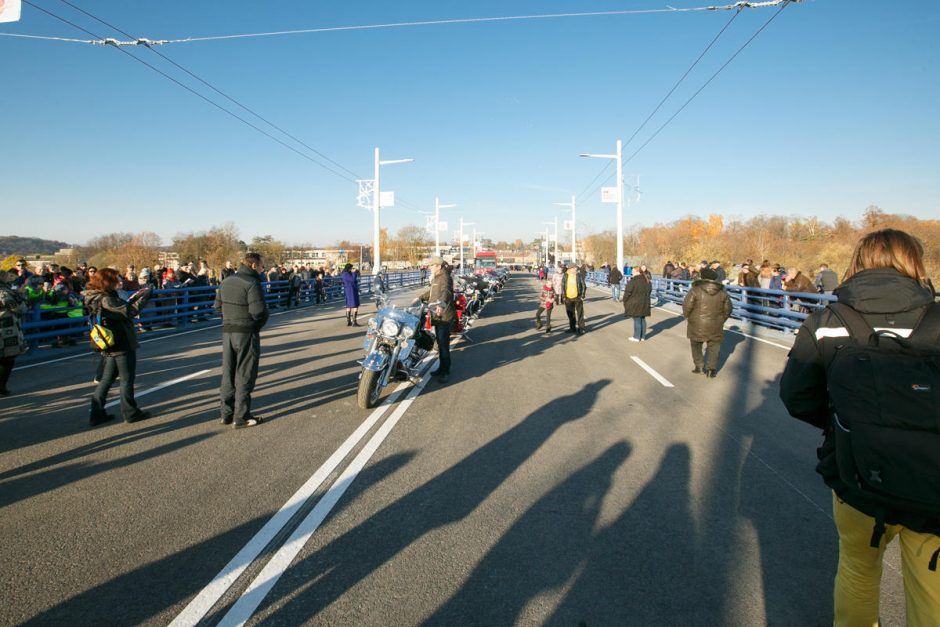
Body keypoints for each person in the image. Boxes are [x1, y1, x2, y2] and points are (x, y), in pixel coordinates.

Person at [779, 229, 940, 626]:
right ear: (914, 262)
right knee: (930, 583)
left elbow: (797, 397)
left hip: (856, 473)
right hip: (933, 478)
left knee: (857, 569)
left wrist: (844, 425)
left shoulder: (828, 321)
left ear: (858, 262)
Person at [84, 268, 153, 426]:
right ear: (107, 281)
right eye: (116, 279)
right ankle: (130, 412)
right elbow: (129, 311)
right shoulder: (106, 299)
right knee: (126, 379)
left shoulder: (94, 296)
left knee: (107, 379)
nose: (119, 281)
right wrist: (145, 297)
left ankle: (97, 413)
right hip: (121, 342)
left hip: (109, 342)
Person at [214, 252, 269, 429]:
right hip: (246, 332)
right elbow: (258, 311)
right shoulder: (252, 282)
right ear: (253, 265)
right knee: (245, 373)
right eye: (261, 266)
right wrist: (256, 326)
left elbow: (217, 307)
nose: (263, 269)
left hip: (227, 332)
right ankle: (241, 416)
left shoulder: (226, 281)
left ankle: (226, 414)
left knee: (228, 373)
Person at [681, 267, 732, 377]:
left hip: (697, 323)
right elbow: (728, 309)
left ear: (702, 277)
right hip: (716, 324)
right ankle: (711, 369)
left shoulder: (695, 290)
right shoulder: (722, 293)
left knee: (696, 345)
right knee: (714, 347)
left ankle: (699, 366)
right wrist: (721, 319)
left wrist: (688, 317)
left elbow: (687, 306)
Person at [419, 256, 456, 383]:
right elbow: (432, 292)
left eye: (432, 265)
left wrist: (441, 305)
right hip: (437, 315)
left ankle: (445, 371)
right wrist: (420, 298)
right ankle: (441, 368)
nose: (429, 267)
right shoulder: (437, 277)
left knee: (443, 345)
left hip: (444, 316)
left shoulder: (445, 278)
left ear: (438, 266)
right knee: (440, 344)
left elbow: (446, 292)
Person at [0, 270, 28, 396]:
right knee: (8, 357)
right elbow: (18, 308)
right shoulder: (4, 292)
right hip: (6, 328)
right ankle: (1, 385)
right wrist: (22, 296)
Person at [622, 267, 651, 342]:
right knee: (642, 319)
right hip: (645, 302)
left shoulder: (633, 281)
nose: (632, 273)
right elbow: (649, 291)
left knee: (637, 319)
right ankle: (642, 336)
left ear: (638, 272)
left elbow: (627, 292)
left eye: (633, 271)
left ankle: (636, 337)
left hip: (635, 303)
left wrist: (625, 300)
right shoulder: (647, 280)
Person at [562, 262, 586, 335]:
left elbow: (583, 286)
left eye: (576, 267)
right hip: (568, 298)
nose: (576, 269)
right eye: (574, 267)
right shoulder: (565, 276)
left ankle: (581, 328)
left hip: (577, 297)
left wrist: (582, 296)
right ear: (570, 268)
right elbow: (563, 286)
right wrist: (564, 297)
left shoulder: (579, 275)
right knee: (570, 314)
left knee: (580, 314)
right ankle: (572, 328)